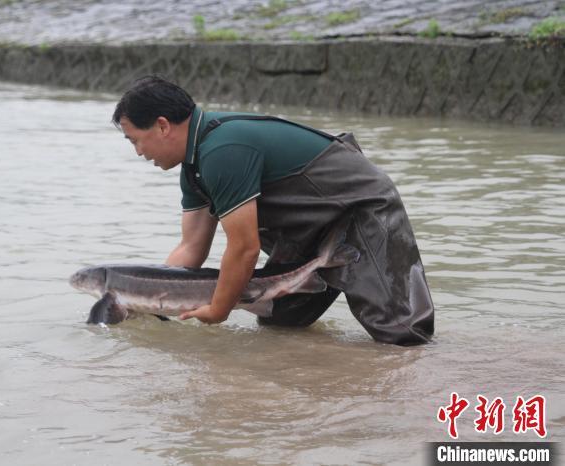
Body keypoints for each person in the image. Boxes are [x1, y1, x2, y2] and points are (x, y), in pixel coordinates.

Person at [111, 75, 434, 345]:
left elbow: (245, 248)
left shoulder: (223, 150)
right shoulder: (195, 166)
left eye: (135, 140)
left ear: (163, 125)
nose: (139, 152)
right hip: (309, 229)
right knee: (281, 323)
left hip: (361, 208)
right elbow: (191, 247)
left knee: (402, 335)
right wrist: (145, 302)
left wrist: (219, 309)